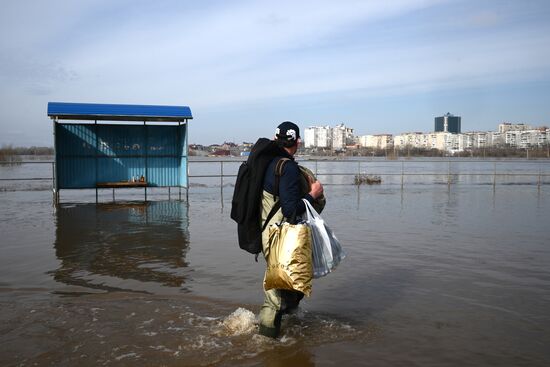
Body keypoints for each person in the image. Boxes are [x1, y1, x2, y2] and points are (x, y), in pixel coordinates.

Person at [258, 121, 324, 338]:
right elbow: (291, 209)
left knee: (293, 285)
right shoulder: (288, 168)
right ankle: (266, 342)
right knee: (276, 294)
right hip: (281, 238)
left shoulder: (269, 163)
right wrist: (313, 194)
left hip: (269, 233)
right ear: (297, 142)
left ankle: (287, 333)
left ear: (276, 139)